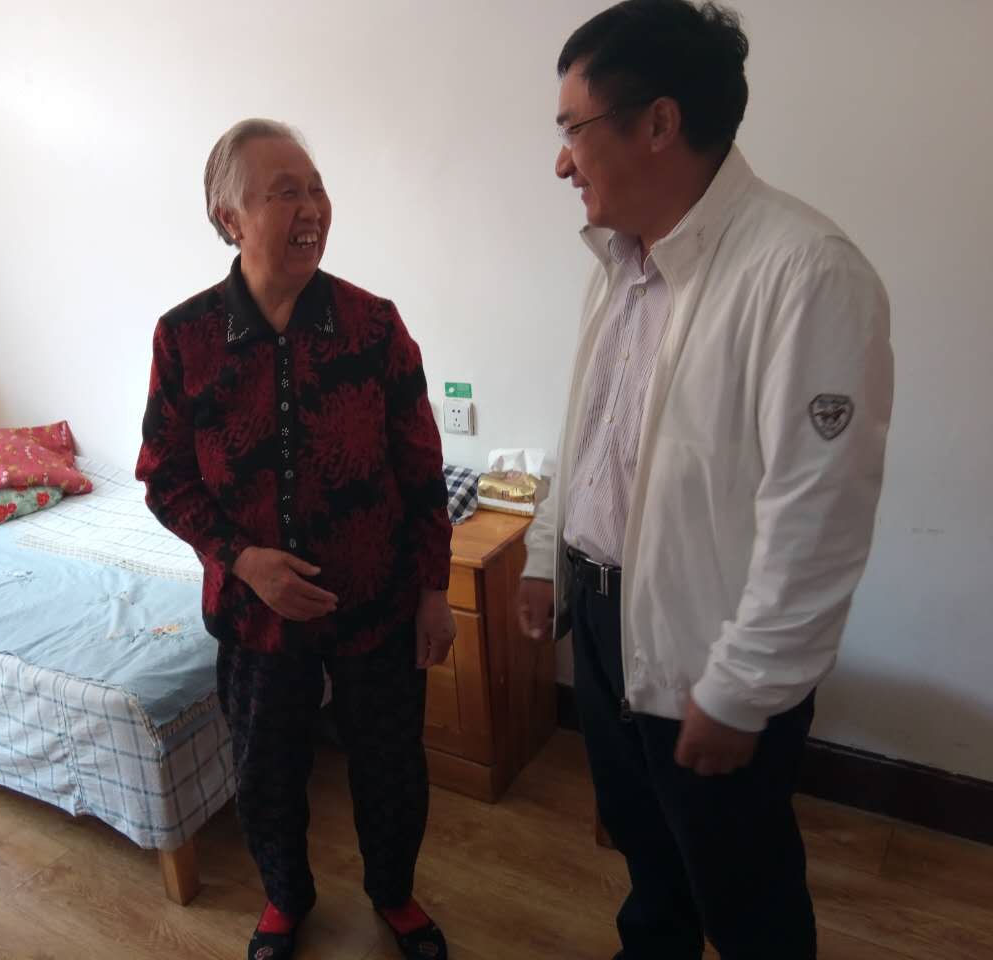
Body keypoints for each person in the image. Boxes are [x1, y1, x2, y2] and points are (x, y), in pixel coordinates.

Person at [517, 3, 894, 957]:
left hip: (707, 650)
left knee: (743, 885)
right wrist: (545, 557)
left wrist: (744, 688)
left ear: (658, 122)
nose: (561, 163)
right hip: (603, 621)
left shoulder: (805, 273)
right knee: (647, 855)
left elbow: (819, 517)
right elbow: (589, 427)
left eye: (572, 129)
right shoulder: (617, 261)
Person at [136, 118, 455, 960]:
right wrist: (243, 560)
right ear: (230, 218)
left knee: (391, 768)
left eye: (316, 189)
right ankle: (285, 900)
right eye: (285, 193)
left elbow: (421, 465)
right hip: (256, 617)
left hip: (378, 604)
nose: (311, 208)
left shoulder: (373, 326)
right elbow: (164, 477)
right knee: (266, 773)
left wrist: (434, 590)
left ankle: (394, 894)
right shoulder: (186, 338)